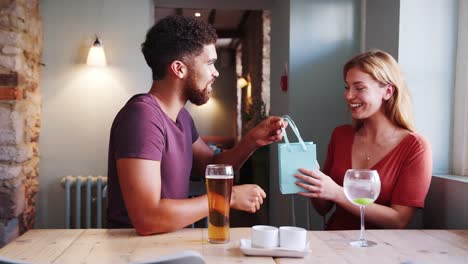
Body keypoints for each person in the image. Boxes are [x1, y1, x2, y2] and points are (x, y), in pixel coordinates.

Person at [107, 15, 285, 235]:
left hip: (166, 246)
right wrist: (228, 197)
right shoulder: (142, 117)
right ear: (179, 69)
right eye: (209, 63)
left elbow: (211, 165)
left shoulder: (182, 117)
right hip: (134, 252)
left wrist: (251, 140)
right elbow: (147, 218)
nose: (216, 72)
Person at [295, 49, 432, 230]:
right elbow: (323, 208)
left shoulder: (415, 147)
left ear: (388, 91)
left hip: (382, 251)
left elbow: (399, 220)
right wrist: (313, 181)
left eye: (359, 88)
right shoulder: (341, 136)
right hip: (334, 242)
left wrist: (337, 193)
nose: (348, 95)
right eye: (347, 87)